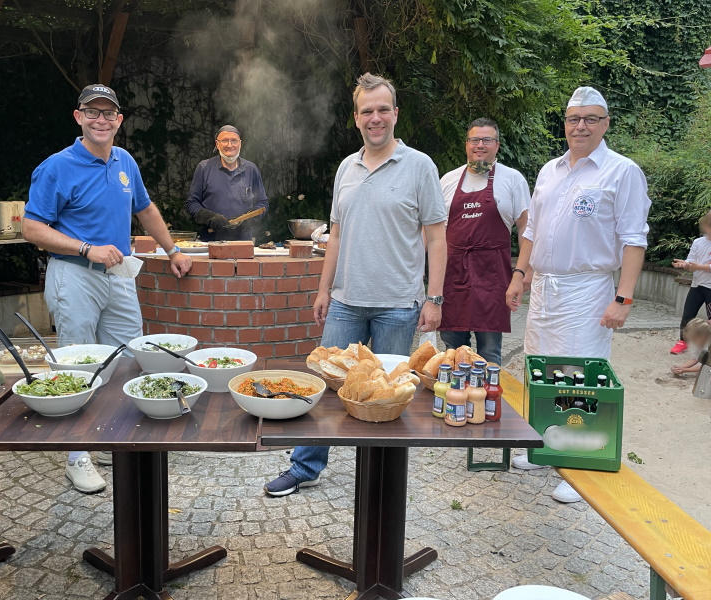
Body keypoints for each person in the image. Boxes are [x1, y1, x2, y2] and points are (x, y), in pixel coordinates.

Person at [263, 73, 448, 497]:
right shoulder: (347, 167)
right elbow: (337, 234)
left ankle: (381, 478)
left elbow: (437, 237)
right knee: (326, 389)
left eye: (383, 109)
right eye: (367, 111)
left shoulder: (420, 166)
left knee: (388, 396)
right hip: (345, 301)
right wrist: (324, 289)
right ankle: (305, 466)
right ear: (356, 117)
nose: (375, 118)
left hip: (398, 305)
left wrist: (434, 298)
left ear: (396, 114)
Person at [23, 84, 192, 493]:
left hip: (119, 277)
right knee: (78, 364)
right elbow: (31, 228)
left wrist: (172, 249)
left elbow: (145, 208)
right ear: (78, 117)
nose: (101, 120)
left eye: (109, 114)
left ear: (119, 120)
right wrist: (86, 248)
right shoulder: (56, 167)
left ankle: (111, 438)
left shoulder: (124, 161)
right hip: (74, 274)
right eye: (92, 112)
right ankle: (77, 455)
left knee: (126, 359)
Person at [506, 86, 651, 504]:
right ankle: (545, 446)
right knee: (542, 369)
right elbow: (532, 230)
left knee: (580, 376)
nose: (581, 126)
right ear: (565, 123)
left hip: (588, 289)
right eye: (574, 118)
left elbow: (633, 239)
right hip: (546, 288)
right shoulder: (550, 170)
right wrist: (520, 274)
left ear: (605, 124)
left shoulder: (621, 172)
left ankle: (581, 465)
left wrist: (623, 298)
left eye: (590, 118)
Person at [438, 117, 530, 365]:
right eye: (475, 139)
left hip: (493, 279)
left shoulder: (512, 180)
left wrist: (521, 274)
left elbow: (526, 228)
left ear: (497, 145)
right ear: (467, 144)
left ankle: (487, 403)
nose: (480, 145)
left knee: (488, 355)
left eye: (487, 140)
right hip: (453, 278)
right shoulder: (447, 180)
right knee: (451, 353)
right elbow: (434, 234)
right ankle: (454, 402)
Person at [186, 125, 269, 241]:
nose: (230, 145)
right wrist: (210, 218)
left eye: (234, 140)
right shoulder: (204, 168)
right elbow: (192, 203)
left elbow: (262, 203)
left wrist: (248, 220)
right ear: (217, 144)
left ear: (240, 143)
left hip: (243, 241)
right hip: (210, 240)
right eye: (225, 140)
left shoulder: (251, 169)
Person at [670, 210, 711, 354]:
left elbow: (700, 265)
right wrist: (684, 264)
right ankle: (683, 341)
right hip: (697, 285)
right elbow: (691, 260)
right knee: (687, 316)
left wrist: (698, 266)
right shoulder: (698, 242)